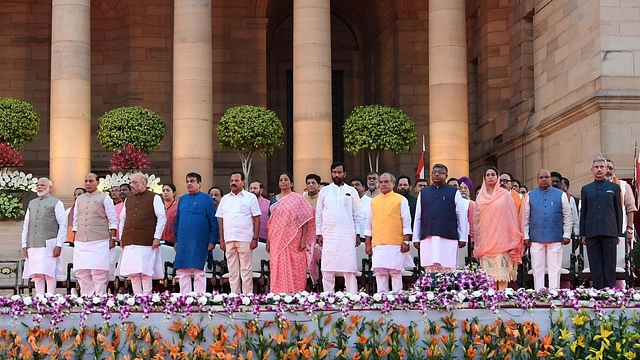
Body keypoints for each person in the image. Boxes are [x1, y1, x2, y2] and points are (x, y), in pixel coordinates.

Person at [473, 167, 524, 290]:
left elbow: (511, 217)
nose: (490, 177)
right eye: (488, 175)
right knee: (488, 277)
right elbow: (478, 222)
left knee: (501, 275)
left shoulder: (504, 195)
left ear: (498, 178)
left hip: (502, 241)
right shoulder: (480, 197)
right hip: (486, 241)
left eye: (493, 175)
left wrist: (513, 238)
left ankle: (502, 301)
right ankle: (490, 301)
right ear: (484, 178)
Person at [316, 161, 363, 293]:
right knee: (327, 270)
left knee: (349, 269)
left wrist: (357, 233)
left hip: (347, 236)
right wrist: (319, 234)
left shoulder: (351, 191)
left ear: (344, 174)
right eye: (334, 172)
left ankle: (352, 297)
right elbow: (319, 214)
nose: (337, 175)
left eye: (339, 172)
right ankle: (328, 298)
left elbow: (358, 215)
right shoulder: (324, 191)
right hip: (329, 235)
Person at [522, 169, 572, 290]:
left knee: (554, 268)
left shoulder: (561, 194)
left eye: (546, 177)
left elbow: (567, 216)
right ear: (537, 180)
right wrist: (526, 236)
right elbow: (525, 217)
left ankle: (554, 293)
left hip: (555, 237)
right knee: (537, 268)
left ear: (550, 179)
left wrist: (567, 234)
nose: (544, 179)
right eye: (541, 177)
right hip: (536, 237)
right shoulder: (530, 195)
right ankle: (539, 293)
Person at [266, 172, 315, 293]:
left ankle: (295, 292)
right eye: (281, 180)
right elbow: (271, 222)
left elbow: (306, 218)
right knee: (278, 264)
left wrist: (303, 239)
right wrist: (268, 241)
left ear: (291, 183)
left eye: (286, 179)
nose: (283, 182)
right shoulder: (273, 200)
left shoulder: (297, 199)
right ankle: (278, 293)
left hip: (294, 238)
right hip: (276, 238)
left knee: (295, 264)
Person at [413, 164, 469, 271]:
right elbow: (418, 217)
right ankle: (431, 288)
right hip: (427, 237)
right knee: (430, 269)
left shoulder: (453, 192)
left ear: (446, 175)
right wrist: (416, 238)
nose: (436, 174)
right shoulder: (424, 193)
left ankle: (448, 288)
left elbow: (461, 216)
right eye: (434, 172)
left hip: (448, 236)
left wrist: (463, 237)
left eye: (440, 172)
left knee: (448, 268)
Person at [117, 173, 166, 295]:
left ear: (144, 184)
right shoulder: (129, 199)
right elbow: (122, 219)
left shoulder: (154, 197)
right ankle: (137, 297)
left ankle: (147, 297)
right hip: (130, 240)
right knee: (133, 272)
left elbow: (162, 218)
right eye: (131, 183)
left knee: (145, 272)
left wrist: (156, 237)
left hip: (146, 241)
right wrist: (122, 236)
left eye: (135, 183)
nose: (132, 185)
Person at [364, 173, 412, 293]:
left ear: (393, 184)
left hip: (396, 243)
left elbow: (406, 221)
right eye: (381, 182)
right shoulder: (373, 201)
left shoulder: (401, 200)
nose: (383, 184)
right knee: (381, 272)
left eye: (386, 182)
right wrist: (368, 243)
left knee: (395, 272)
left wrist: (406, 241)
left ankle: (397, 298)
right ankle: (382, 299)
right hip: (378, 243)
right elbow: (368, 223)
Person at [580, 157, 623, 289]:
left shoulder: (614, 188)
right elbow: (584, 212)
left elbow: (618, 211)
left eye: (602, 167)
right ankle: (598, 293)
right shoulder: (586, 189)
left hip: (610, 231)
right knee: (595, 265)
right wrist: (583, 234)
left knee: (609, 265)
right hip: (591, 232)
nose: (599, 170)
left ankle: (610, 293)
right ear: (592, 170)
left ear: (606, 169)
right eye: (596, 167)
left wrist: (618, 233)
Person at [72, 173, 118, 296]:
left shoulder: (105, 197)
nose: (88, 183)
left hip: (100, 239)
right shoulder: (79, 199)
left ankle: (100, 298)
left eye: (91, 181)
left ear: (97, 182)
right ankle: (86, 297)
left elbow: (113, 219)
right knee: (81, 271)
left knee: (98, 271)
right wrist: (75, 236)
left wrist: (113, 238)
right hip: (81, 240)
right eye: (86, 181)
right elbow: (75, 220)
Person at [173, 173, 219, 294]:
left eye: (192, 181)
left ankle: (200, 298)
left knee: (199, 270)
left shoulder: (207, 199)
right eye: (187, 181)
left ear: (199, 184)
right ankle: (185, 297)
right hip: (183, 241)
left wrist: (212, 240)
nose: (189, 183)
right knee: (183, 271)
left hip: (200, 240)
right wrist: (176, 240)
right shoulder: (182, 199)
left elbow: (213, 222)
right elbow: (177, 221)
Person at [216, 172, 261, 294]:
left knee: (246, 270)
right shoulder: (224, 199)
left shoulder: (250, 197)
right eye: (231, 181)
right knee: (232, 270)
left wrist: (255, 238)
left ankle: (247, 298)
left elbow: (257, 218)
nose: (233, 183)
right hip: (229, 238)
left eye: (236, 180)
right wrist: (221, 239)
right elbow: (221, 220)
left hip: (245, 238)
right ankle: (234, 297)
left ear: (243, 182)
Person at [21, 178, 66, 295]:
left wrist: (59, 245)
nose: (39, 187)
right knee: (37, 274)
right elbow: (26, 224)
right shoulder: (32, 203)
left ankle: (50, 298)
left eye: (42, 185)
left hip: (49, 244)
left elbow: (63, 225)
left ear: (50, 188)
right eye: (38, 185)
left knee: (49, 273)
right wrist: (24, 244)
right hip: (33, 243)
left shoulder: (56, 202)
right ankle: (39, 298)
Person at [605, 159, 636, 245]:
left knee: (621, 257)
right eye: (606, 168)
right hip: (602, 231)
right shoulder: (595, 187)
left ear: (614, 171)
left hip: (621, 229)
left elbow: (630, 208)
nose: (608, 171)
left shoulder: (623, 185)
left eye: (610, 168)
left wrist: (629, 229)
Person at [351, 177, 371, 247]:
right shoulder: (348, 202)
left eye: (357, 185)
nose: (354, 187)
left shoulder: (371, 202)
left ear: (364, 187)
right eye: (352, 185)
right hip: (351, 239)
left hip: (365, 239)